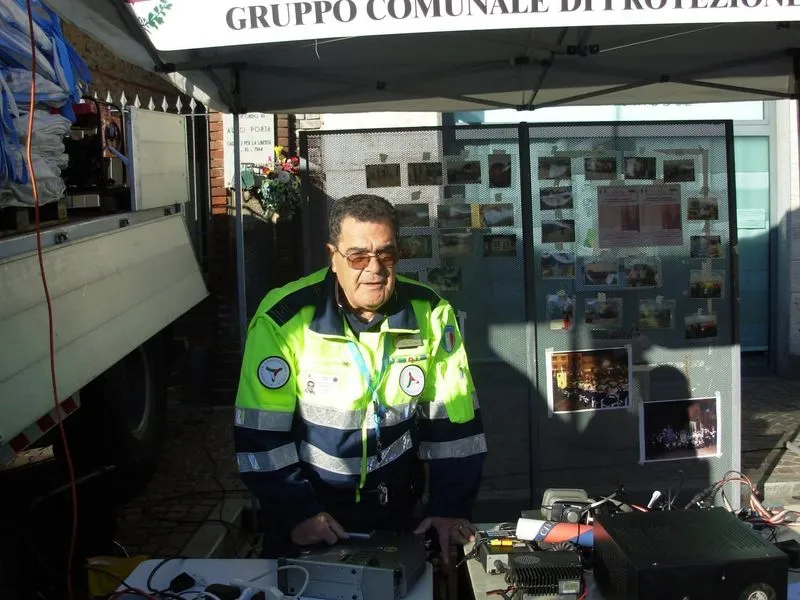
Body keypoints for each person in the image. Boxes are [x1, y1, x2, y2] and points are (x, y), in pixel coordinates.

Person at [234, 194, 487, 560]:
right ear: (332, 256)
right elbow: (260, 436)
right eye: (358, 257)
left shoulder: (430, 312)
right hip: (311, 515)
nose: (374, 268)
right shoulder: (284, 318)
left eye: (386, 254)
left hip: (399, 514)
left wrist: (449, 506)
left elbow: (455, 426)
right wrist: (297, 513)